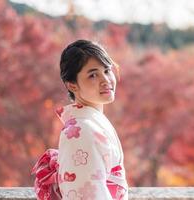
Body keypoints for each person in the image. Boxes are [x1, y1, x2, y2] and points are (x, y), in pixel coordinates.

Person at [32, 39, 128, 200]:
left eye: (106, 70)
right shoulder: (82, 131)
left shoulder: (90, 124)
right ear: (72, 85)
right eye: (93, 75)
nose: (105, 80)